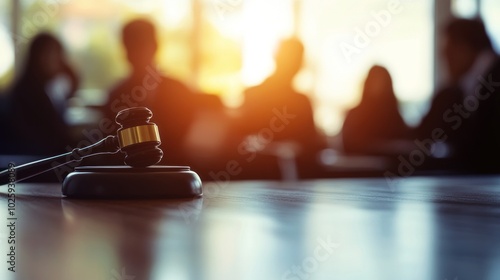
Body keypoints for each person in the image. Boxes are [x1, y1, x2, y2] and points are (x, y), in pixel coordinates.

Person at [103, 19, 195, 165]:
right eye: (130, 45)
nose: (135, 52)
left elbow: (182, 139)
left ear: (155, 46)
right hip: (130, 173)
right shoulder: (115, 94)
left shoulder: (179, 91)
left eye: (140, 45)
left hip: (174, 170)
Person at [417, 18, 500, 173]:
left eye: (448, 51)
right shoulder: (464, 87)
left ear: (464, 47)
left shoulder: (494, 79)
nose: (445, 59)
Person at [238, 38, 323, 178]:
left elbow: (312, 143)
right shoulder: (253, 95)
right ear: (277, 58)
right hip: (258, 176)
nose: (295, 65)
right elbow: (242, 139)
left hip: (294, 178)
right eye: (292, 59)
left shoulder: (302, 101)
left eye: (297, 60)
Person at [6, 33, 78, 155]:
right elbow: (49, 139)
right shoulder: (28, 93)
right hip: (35, 162)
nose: (58, 61)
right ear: (39, 56)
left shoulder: (41, 89)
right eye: (55, 54)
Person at [342, 65, 409, 155]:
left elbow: (405, 142)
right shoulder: (355, 115)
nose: (378, 86)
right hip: (364, 167)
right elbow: (349, 144)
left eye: (382, 81)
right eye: (375, 81)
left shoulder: (394, 117)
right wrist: (386, 147)